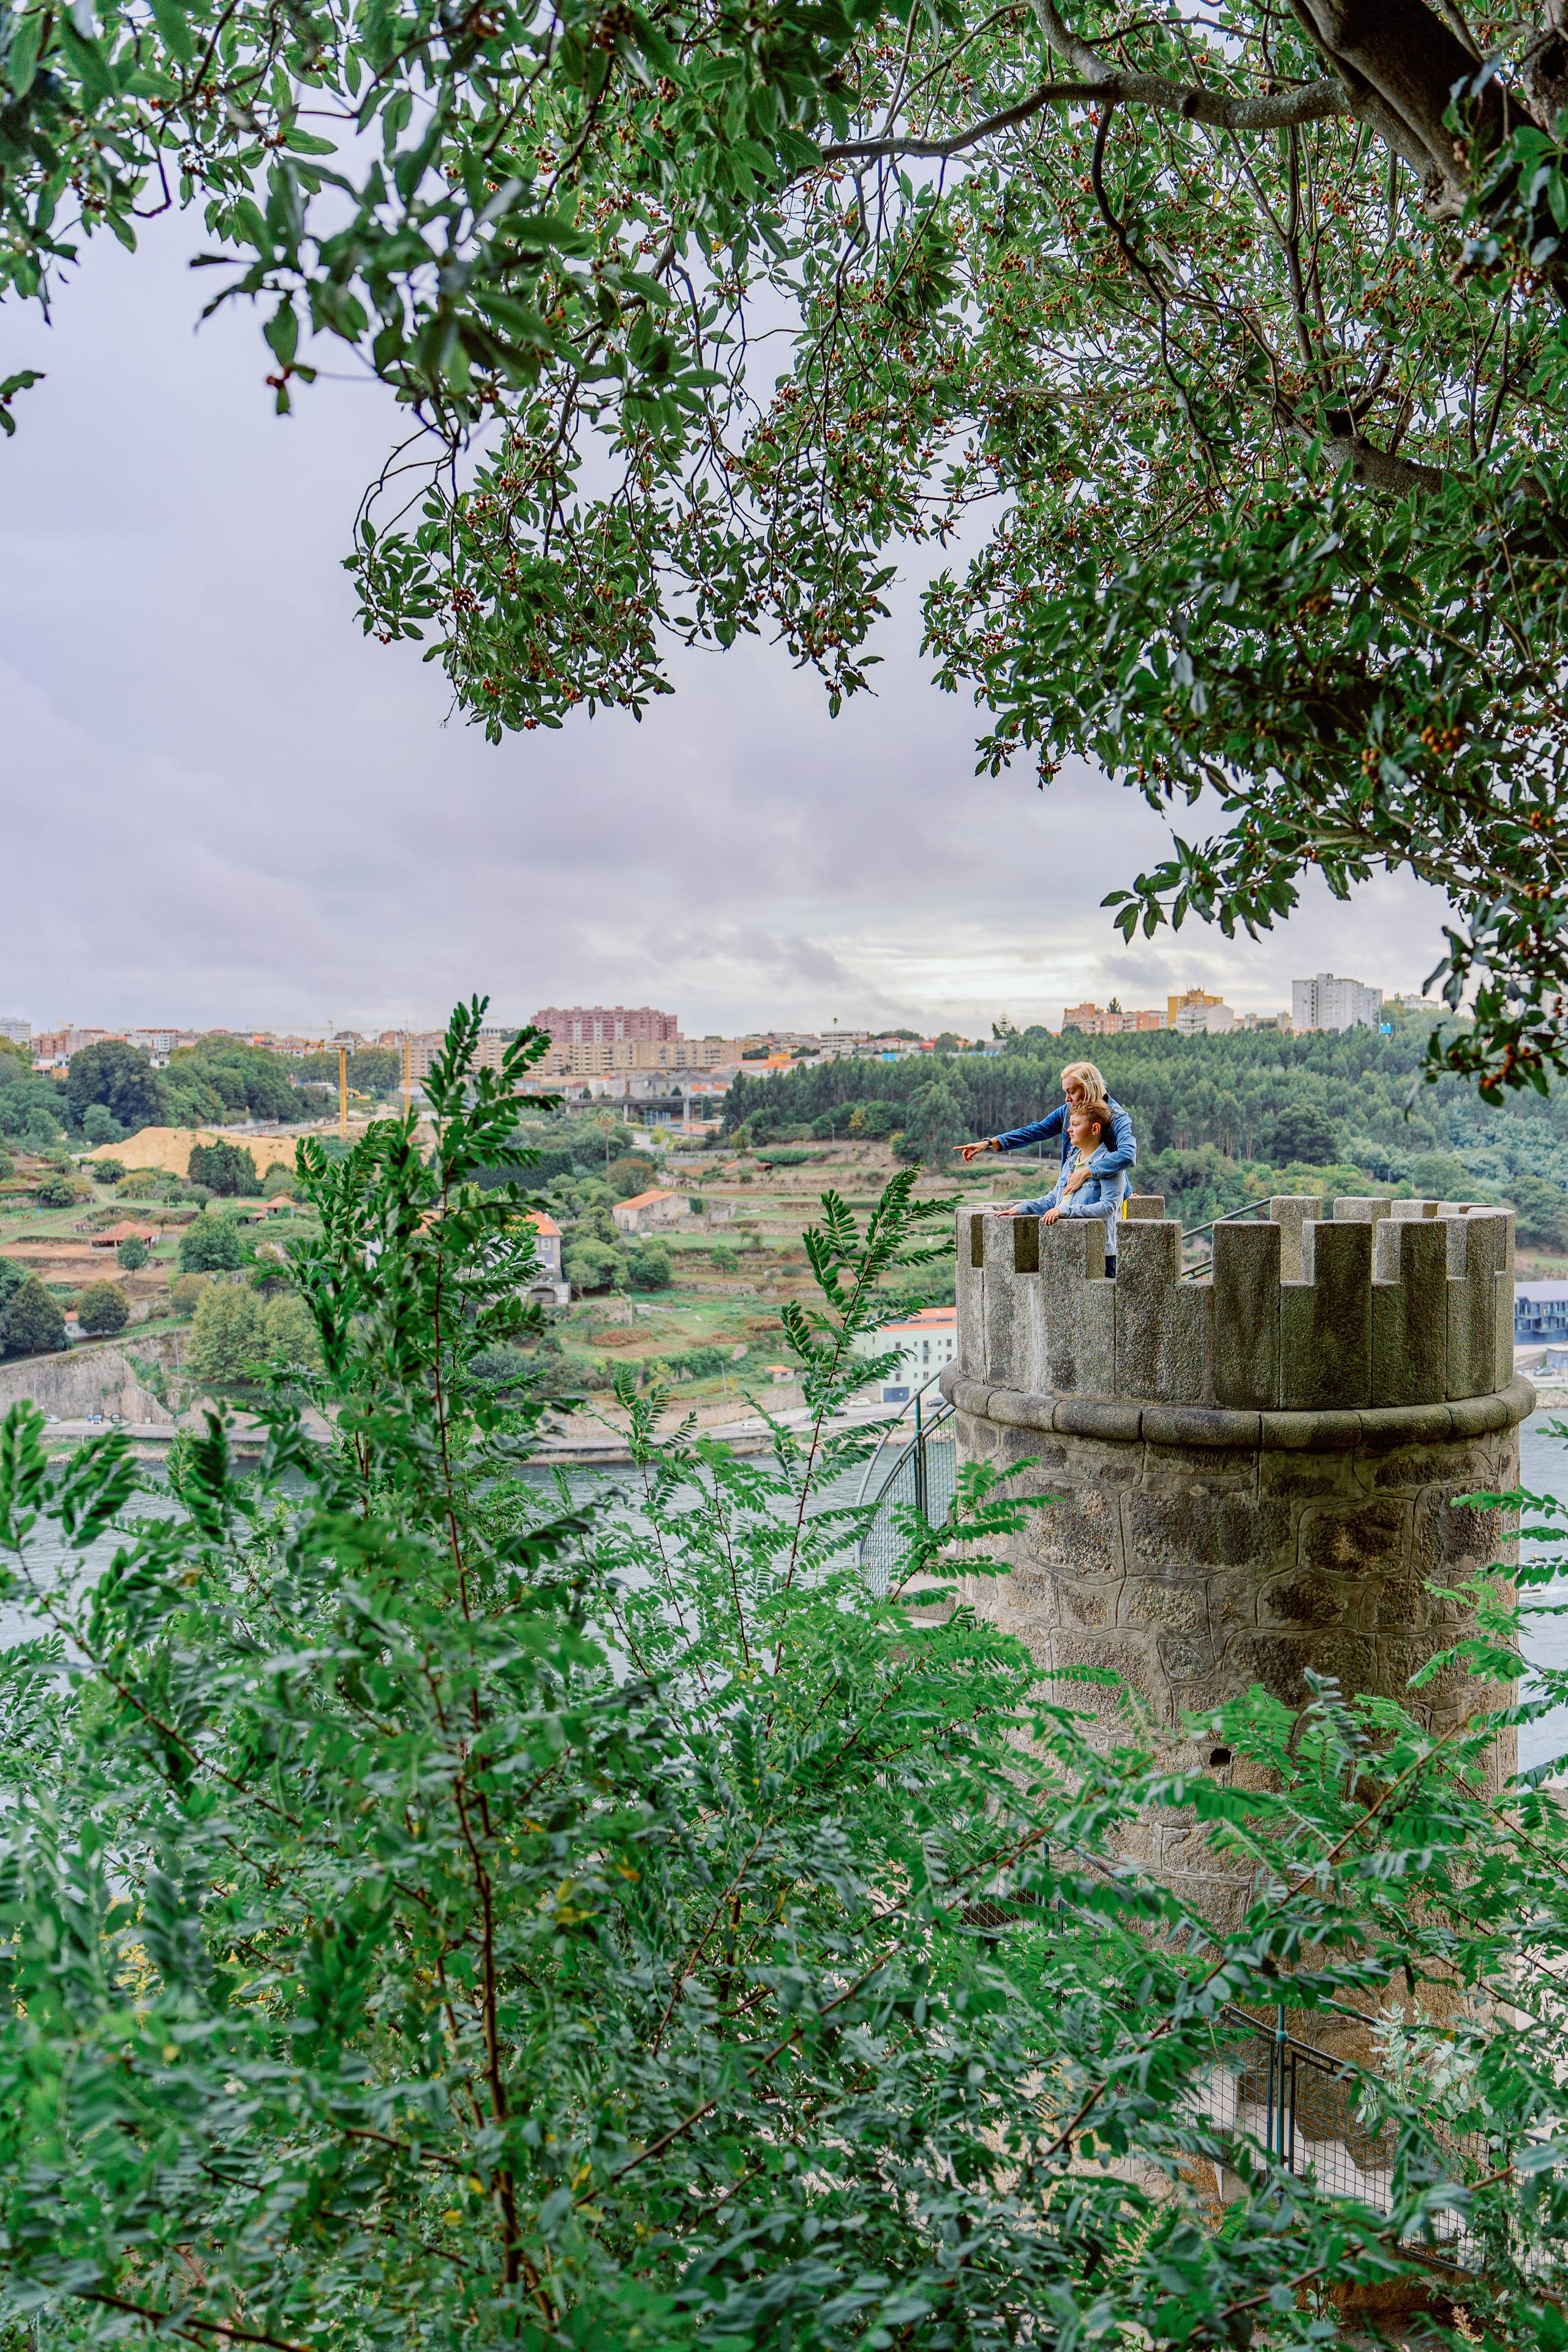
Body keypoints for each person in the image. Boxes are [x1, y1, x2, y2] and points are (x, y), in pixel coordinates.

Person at [955, 1059, 1137, 1200]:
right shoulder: (1067, 1112)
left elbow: (1127, 1155)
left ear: (1089, 1088)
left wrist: (1086, 1172)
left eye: (1072, 1092)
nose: (1067, 1099)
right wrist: (988, 1144)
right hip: (1072, 1194)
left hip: (1106, 1197)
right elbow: (1033, 1132)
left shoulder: (1117, 1117)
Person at [995, 1097, 1128, 1270]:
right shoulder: (1071, 1162)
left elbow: (1108, 1208)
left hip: (1100, 1255)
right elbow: (1054, 1200)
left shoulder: (1110, 1164)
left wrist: (1064, 1211)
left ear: (1095, 1129)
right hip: (1069, 1248)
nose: (1069, 1129)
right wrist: (1022, 1209)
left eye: (1076, 1125)